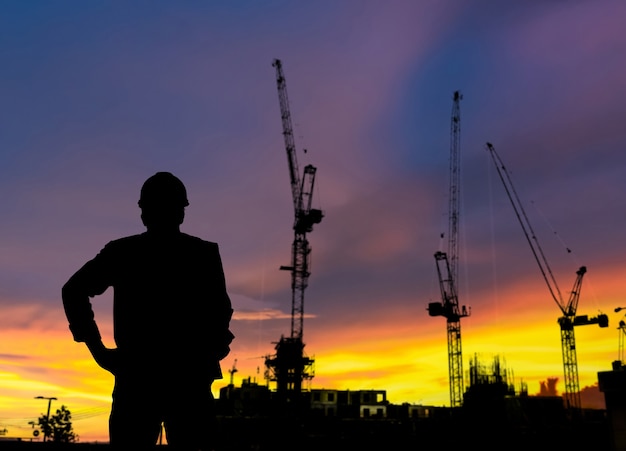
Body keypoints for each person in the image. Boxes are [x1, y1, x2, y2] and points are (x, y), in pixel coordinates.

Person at [62, 172, 234, 450]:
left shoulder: (126, 252)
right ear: (181, 211)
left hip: (150, 379)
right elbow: (220, 312)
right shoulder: (200, 254)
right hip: (176, 380)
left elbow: (220, 311)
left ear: (144, 212)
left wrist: (98, 350)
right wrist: (98, 350)